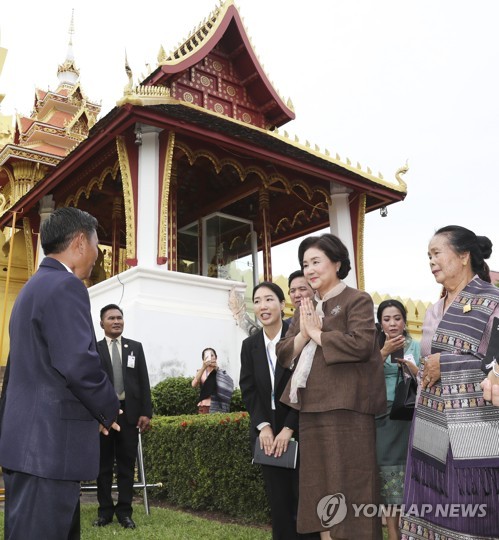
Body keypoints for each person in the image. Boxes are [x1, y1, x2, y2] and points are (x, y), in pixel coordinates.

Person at [0, 207, 120, 540]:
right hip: (48, 449)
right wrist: (108, 408)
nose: (99, 256)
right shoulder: (66, 286)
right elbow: (78, 363)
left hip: (28, 445)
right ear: (81, 242)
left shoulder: (32, 288)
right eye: (98, 246)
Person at [277, 233, 386, 540]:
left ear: (337, 263)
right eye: (304, 264)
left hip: (348, 408)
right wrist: (306, 332)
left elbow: (364, 344)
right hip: (310, 408)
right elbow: (284, 352)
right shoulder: (306, 306)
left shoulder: (357, 299)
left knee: (352, 484)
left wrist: (320, 334)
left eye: (316, 262)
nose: (309, 269)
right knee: (320, 485)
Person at [401, 225, 499, 540]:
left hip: (472, 434)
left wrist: (447, 364)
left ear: (463, 255)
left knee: (470, 512)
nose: (431, 261)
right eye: (428, 256)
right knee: (431, 503)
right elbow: (430, 362)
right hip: (430, 424)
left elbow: (494, 361)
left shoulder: (491, 300)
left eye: (436, 253)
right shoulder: (437, 307)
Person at [240, 282, 303, 540]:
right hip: (268, 427)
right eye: (257, 301)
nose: (262, 306)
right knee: (277, 500)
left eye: (269, 299)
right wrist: (263, 426)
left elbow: (306, 384)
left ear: (282, 304)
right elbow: (249, 389)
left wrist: (289, 428)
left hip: (298, 422)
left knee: (303, 498)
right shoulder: (250, 345)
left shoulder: (298, 335)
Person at [94, 304, 153, 529]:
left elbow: (143, 381)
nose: (116, 321)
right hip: (104, 415)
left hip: (129, 414)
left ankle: (125, 512)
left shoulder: (134, 348)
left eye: (119, 317)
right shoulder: (94, 348)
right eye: (111, 318)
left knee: (127, 466)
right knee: (103, 466)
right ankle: (105, 512)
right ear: (102, 323)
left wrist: (146, 412)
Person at [375, 300, 420, 540]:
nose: (392, 323)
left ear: (404, 321)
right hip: (383, 418)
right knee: (388, 477)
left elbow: (428, 380)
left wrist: (413, 369)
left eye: (397, 318)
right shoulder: (374, 347)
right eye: (387, 319)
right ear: (380, 323)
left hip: (409, 417)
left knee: (408, 477)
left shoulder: (417, 345)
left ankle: (409, 532)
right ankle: (393, 533)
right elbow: (362, 379)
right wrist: (383, 353)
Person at [192, 347, 230, 413]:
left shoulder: (221, 372)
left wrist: (216, 368)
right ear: (203, 359)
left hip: (218, 405)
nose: (210, 358)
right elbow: (194, 384)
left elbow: (225, 386)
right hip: (204, 405)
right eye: (206, 356)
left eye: (212, 355)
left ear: (216, 357)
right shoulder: (201, 372)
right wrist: (203, 367)